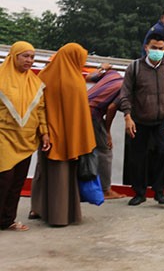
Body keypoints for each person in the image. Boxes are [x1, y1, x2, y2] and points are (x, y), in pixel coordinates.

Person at [30, 43, 96, 227]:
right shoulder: (76, 80)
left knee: (43, 171)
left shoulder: (43, 76)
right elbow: (81, 114)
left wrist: (44, 132)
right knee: (64, 176)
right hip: (70, 138)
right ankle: (62, 216)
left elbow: (39, 107)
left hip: (48, 135)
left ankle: (38, 208)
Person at [119, 32, 164, 206]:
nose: (157, 51)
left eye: (161, 49)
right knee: (137, 157)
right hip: (139, 119)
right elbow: (125, 94)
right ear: (146, 47)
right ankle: (139, 192)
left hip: (162, 120)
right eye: (154, 48)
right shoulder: (135, 68)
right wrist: (127, 116)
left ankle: (159, 190)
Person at [0, 42, 50, 232]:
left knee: (17, 181)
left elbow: (41, 110)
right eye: (25, 56)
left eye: (32, 57)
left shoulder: (35, 82)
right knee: (4, 179)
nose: (30, 60)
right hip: (4, 136)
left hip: (27, 138)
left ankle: (7, 220)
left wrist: (44, 132)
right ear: (14, 56)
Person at [86, 63, 125, 199]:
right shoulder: (126, 88)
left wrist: (102, 69)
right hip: (92, 113)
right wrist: (107, 132)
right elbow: (111, 108)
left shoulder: (112, 74)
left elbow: (89, 77)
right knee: (104, 150)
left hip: (79, 108)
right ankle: (105, 190)